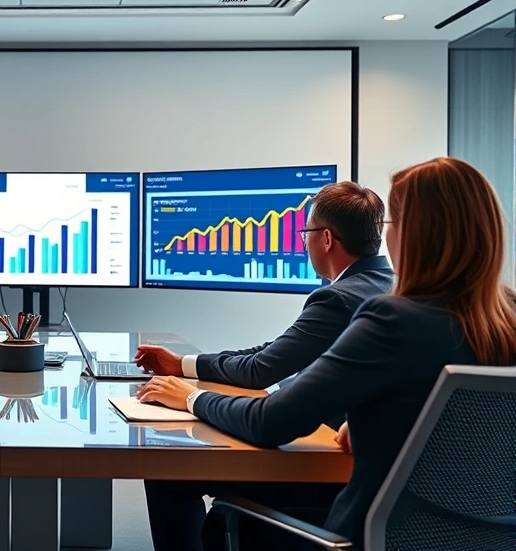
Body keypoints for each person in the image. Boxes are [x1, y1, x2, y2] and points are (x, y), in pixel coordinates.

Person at [136, 157, 516, 550]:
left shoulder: (393, 318)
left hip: (362, 537)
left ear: (416, 234)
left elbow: (272, 422)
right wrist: (380, 422)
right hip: (487, 540)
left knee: (188, 488)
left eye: (393, 225)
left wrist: (192, 398)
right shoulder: (508, 319)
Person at [133, 181, 394, 550]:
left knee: (168, 471)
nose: (302, 242)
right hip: (368, 477)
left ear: (327, 239)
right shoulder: (388, 287)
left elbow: (263, 376)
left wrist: (191, 396)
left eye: (305, 232)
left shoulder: (340, 298)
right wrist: (185, 364)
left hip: (325, 474)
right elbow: (272, 353)